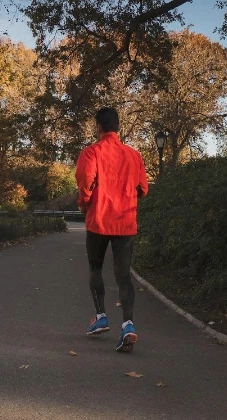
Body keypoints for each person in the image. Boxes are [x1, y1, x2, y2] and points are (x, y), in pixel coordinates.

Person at [75, 107, 148, 352]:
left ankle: (101, 316)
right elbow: (142, 188)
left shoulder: (91, 152)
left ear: (99, 127)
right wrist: (127, 197)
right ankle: (128, 325)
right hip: (125, 222)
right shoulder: (134, 156)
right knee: (123, 274)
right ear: (118, 127)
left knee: (95, 267)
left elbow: (85, 183)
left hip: (99, 219)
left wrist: (86, 205)